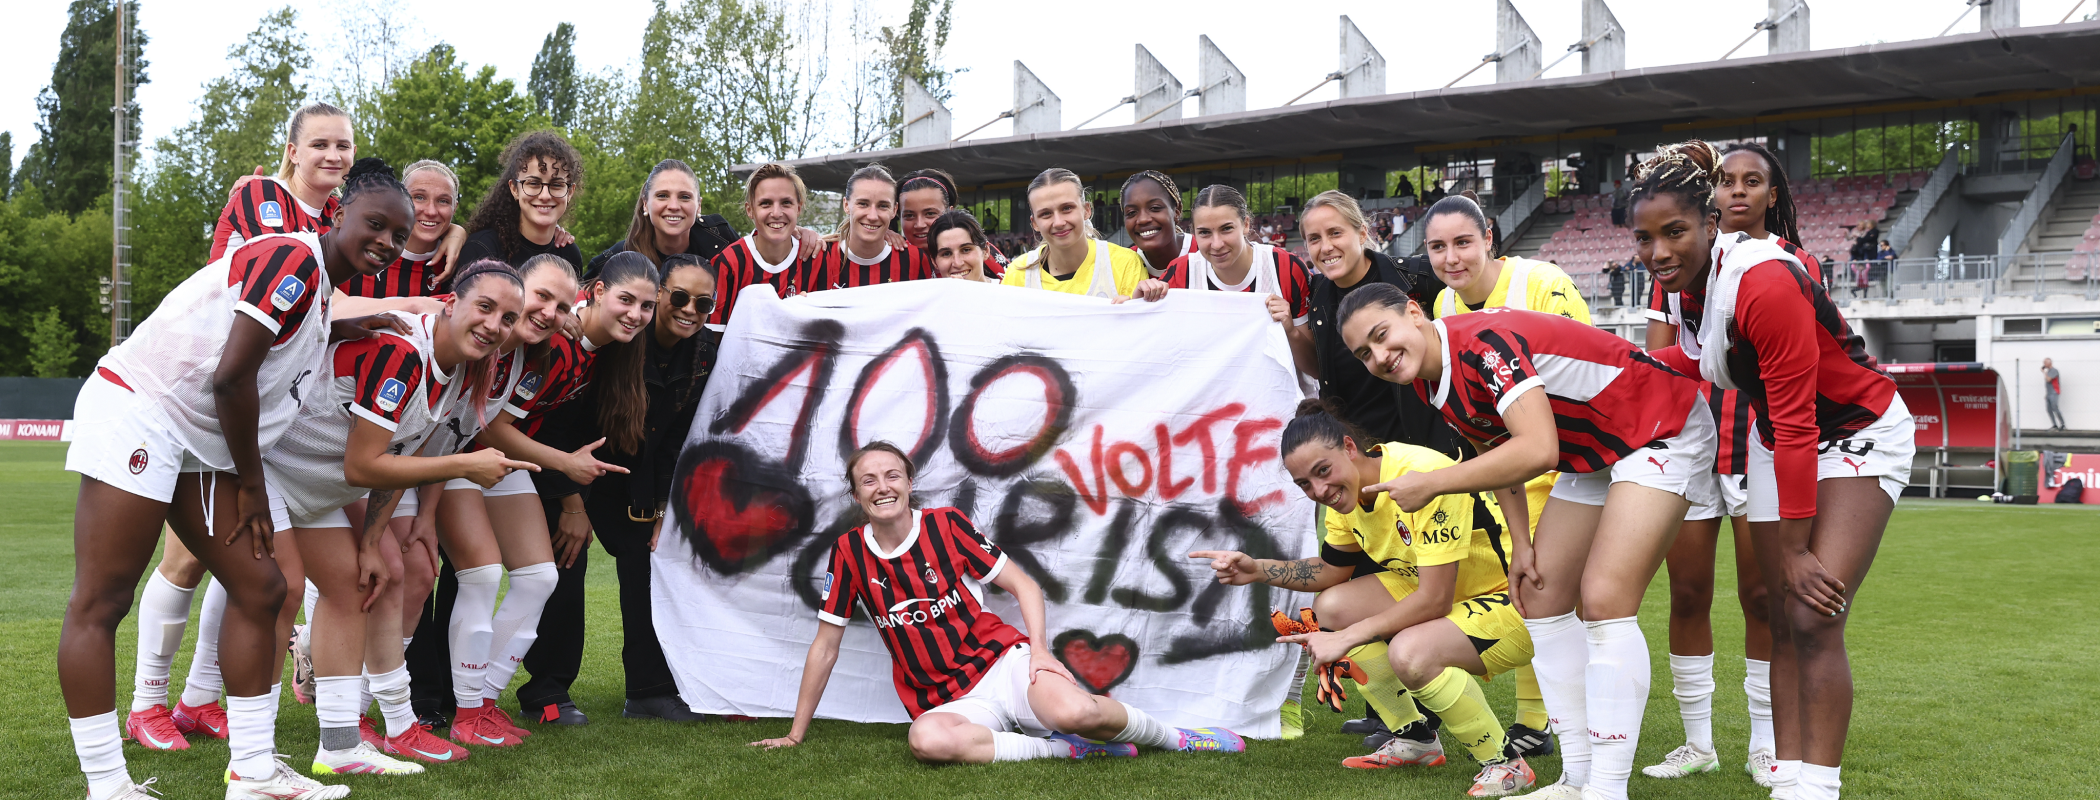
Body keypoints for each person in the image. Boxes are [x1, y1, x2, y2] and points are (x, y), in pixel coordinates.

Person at [61, 156, 415, 800]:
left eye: (399, 235)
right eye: (375, 224)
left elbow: (271, 339)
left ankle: (252, 772)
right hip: (143, 409)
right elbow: (231, 377)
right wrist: (252, 485)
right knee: (103, 599)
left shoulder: (320, 288)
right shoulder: (296, 257)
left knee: (262, 587)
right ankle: (107, 785)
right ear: (337, 212)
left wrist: (338, 326)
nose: (386, 242)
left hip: (197, 437)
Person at [1335, 285, 1718, 800]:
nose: (1380, 356)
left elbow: (1538, 448)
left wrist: (1434, 483)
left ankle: (1607, 788)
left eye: (1382, 336)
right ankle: (1575, 777)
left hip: (1661, 426)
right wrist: (1521, 545)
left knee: (1604, 601)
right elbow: (1495, 452)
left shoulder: (1482, 344)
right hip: (1595, 452)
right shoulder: (1431, 380)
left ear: (1413, 312)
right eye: (1364, 353)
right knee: (1541, 597)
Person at [1634, 139, 1913, 800]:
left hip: (1857, 430)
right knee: (1785, 618)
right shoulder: (1687, 285)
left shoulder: (1763, 279)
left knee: (1812, 615)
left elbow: (1797, 420)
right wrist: (1595, 361)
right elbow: (1691, 363)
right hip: (1777, 434)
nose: (1659, 251)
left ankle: (1817, 788)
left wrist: (1793, 549)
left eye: (1674, 233)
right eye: (1644, 239)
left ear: (1710, 224)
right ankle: (1787, 777)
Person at [750, 442, 1246, 762]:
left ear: (909, 482)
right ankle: (1069, 752)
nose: (883, 487)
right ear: (856, 495)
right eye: (869, 480)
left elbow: (1024, 585)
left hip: (1001, 664)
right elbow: (825, 647)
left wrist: (1040, 652)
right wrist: (796, 733)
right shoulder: (849, 552)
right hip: (947, 700)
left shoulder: (946, 526)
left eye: (892, 475)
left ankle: (1179, 738)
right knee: (926, 742)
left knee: (1081, 714)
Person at [265, 255, 536, 776]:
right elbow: (364, 464)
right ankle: (245, 752)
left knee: (368, 579)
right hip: (267, 464)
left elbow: (397, 457)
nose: (494, 325)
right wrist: (465, 464)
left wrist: (371, 542)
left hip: (313, 481)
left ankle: (350, 743)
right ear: (450, 302)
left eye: (507, 318)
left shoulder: (459, 369)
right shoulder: (403, 351)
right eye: (484, 307)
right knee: (272, 595)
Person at [1191, 401, 1539, 797]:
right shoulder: (1346, 496)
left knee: (1411, 653)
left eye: (1323, 471)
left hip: (1514, 597)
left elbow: (1434, 600)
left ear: (1349, 447)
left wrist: (1347, 638)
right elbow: (1331, 570)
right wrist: (1257, 569)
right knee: (1331, 607)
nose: (1319, 491)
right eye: (1305, 484)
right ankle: (1416, 740)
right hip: (1446, 590)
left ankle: (1505, 764)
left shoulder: (1419, 476)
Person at [1634, 141, 1809, 786]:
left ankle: (1765, 742)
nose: (1737, 191)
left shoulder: (1784, 263)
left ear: (1772, 193)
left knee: (1762, 596)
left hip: (1757, 441)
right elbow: (1661, 364)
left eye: (1751, 181)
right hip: (1692, 442)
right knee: (1687, 592)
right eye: (1725, 181)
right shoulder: (1674, 268)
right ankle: (1697, 743)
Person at [1419, 193, 1591, 761]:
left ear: (1489, 237)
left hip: (1575, 458)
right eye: (1437, 247)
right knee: (1527, 584)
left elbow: (1585, 368)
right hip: (1512, 467)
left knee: (1570, 597)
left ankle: (1558, 724)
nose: (1451, 258)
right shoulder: (1444, 304)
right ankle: (1541, 722)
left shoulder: (1542, 283)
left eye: (1462, 242)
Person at [399, 253, 592, 744]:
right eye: (541, 296)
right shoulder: (467, 333)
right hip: (429, 458)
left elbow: (475, 429)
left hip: (470, 454)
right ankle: (462, 712)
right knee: (479, 574)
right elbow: (447, 435)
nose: (548, 312)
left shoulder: (533, 354)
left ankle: (482, 701)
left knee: (540, 576)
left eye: (562, 306)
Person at [484, 252, 658, 727]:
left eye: (646, 306)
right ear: (597, 292)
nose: (635, 314)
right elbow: (510, 426)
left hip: (523, 465)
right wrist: (571, 500)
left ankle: (506, 695)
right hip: (483, 457)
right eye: (626, 300)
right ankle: (442, 696)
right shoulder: (560, 340)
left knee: (545, 573)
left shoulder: (616, 350)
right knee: (468, 575)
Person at [578, 253, 718, 721]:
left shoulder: (702, 352)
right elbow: (571, 423)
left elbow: (674, 438)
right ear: (658, 294)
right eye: (679, 297)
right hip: (575, 468)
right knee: (559, 571)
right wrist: (571, 504)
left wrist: (661, 506)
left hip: (638, 476)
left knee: (647, 567)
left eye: (703, 303)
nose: (690, 310)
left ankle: (648, 690)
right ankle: (546, 693)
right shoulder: (622, 334)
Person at [1301, 189, 1461, 459]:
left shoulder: (1419, 277)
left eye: (1335, 233)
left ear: (1362, 233)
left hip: (1432, 454)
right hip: (1363, 458)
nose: (1325, 247)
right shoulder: (1313, 297)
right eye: (1314, 238)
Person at [1129, 184, 1317, 376]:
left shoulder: (1286, 267)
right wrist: (1136, 305)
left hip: (1278, 394)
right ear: (1193, 232)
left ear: (1245, 224)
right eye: (1204, 232)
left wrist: (1290, 331)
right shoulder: (1181, 272)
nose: (1217, 244)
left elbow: (1316, 369)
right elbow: (1144, 349)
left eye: (1226, 229)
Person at [584, 158, 824, 278]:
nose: (674, 206)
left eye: (685, 197)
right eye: (663, 196)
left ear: (698, 206)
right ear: (646, 203)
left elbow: (757, 259)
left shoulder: (719, 236)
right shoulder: (618, 261)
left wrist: (795, 234)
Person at [1003, 168, 1149, 299]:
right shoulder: (1017, 274)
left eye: (1067, 208)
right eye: (1046, 214)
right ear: (1034, 223)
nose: (1058, 222)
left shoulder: (1125, 264)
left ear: (1087, 210)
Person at [708, 162, 818, 331]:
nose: (776, 213)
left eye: (786, 202)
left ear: (798, 208)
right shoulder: (728, 264)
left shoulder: (817, 256)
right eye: (765, 203)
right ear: (750, 210)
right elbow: (713, 339)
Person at [460, 131, 586, 273]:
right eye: (533, 183)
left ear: (570, 192)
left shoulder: (570, 255)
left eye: (556, 185)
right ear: (514, 189)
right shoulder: (483, 249)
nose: (545, 196)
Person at [342, 160, 459, 298]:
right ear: (400, 199)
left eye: (443, 201)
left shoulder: (461, 263)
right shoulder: (355, 249)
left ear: (454, 208)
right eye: (419, 197)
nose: (431, 211)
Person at [810, 164, 933, 290]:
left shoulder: (915, 260)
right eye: (863, 204)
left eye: (883, 206)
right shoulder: (817, 256)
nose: (873, 216)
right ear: (846, 205)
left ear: (894, 210)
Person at [898, 167, 1006, 277]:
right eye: (909, 215)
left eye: (930, 213)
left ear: (950, 212)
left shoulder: (978, 251)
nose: (919, 224)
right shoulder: (892, 254)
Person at [1119, 170, 1197, 275]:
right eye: (1131, 212)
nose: (1143, 219)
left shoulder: (1206, 251)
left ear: (1176, 211)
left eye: (1155, 208)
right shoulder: (1123, 266)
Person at [926, 208, 995, 282]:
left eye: (966, 250)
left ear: (986, 251)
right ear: (934, 262)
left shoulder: (1003, 288)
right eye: (946, 254)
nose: (957, 263)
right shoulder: (925, 289)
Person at [2044, 358, 2066, 430]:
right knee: (2049, 409)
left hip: (2054, 392)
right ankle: (2054, 425)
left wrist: (2043, 372)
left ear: (2049, 363)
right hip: (2049, 393)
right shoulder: (2048, 371)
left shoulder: (2054, 371)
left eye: (2045, 363)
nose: (2044, 364)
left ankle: (2062, 424)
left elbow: (2049, 379)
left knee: (2055, 408)